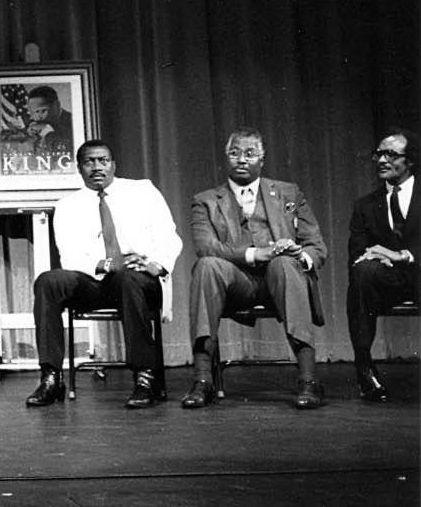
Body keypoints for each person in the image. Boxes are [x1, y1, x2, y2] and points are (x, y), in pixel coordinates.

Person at [28, 140, 181, 408]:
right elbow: (71, 257)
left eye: (103, 161)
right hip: (95, 280)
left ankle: (146, 376)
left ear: (113, 164)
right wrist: (108, 264)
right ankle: (51, 377)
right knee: (48, 281)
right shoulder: (67, 206)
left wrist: (156, 264)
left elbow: (170, 237)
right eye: (89, 162)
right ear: (79, 168)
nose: (97, 167)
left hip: (139, 278)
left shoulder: (142, 191)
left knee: (127, 278)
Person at [184, 128, 328, 409]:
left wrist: (302, 255)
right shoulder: (206, 200)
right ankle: (203, 380)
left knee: (286, 263)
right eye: (235, 153)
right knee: (206, 265)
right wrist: (254, 254)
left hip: (284, 278)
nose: (241, 159)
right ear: (226, 158)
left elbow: (316, 245)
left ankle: (309, 381)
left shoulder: (288, 192)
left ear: (262, 159)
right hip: (235, 282)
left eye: (250, 154)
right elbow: (206, 246)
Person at [346, 129, 419, 402]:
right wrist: (377, 257)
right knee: (362, 271)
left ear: (410, 161)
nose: (382, 160)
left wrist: (403, 255)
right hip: (389, 281)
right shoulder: (365, 205)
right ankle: (364, 369)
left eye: (391, 154)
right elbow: (357, 252)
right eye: (379, 154)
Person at [24, 86, 73, 154]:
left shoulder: (72, 123)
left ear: (56, 105)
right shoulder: (37, 124)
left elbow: (65, 152)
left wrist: (47, 131)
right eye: (34, 112)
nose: (38, 117)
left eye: (42, 111)